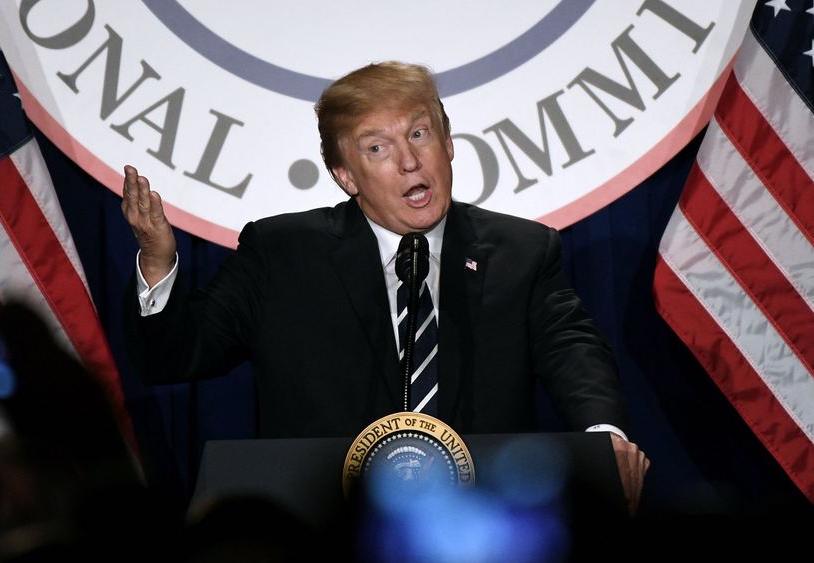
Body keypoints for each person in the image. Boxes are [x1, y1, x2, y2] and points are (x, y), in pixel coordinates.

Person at [122, 61, 649, 514]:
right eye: (377, 147)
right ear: (345, 175)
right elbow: (176, 354)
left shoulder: (522, 252)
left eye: (419, 134)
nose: (409, 161)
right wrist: (156, 260)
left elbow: (574, 351)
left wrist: (604, 439)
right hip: (327, 530)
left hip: (483, 527)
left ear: (447, 142)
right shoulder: (281, 254)